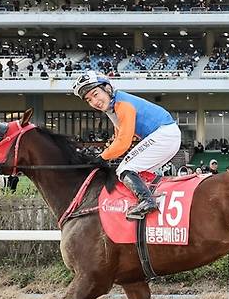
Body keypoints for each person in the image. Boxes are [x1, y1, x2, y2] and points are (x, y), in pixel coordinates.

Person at [72, 70, 181, 219]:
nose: (94, 102)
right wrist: (103, 156)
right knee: (135, 172)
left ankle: (147, 201)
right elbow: (118, 138)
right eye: (89, 100)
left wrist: (101, 158)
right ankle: (150, 199)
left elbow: (123, 142)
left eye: (95, 94)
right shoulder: (113, 107)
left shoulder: (122, 104)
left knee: (125, 169)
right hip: (166, 135)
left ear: (107, 88)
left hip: (164, 134)